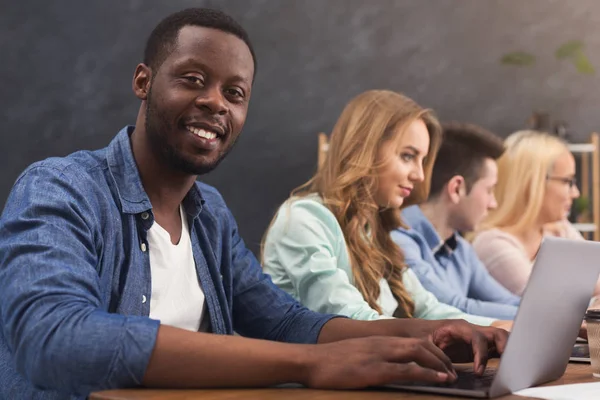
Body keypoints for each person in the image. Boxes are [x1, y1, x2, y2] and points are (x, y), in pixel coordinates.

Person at [0, 8, 508, 400]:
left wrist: (433, 333)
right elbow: (54, 337)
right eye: (193, 79)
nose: (217, 102)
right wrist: (305, 365)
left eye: (235, 93)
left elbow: (288, 323)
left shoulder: (210, 214)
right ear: (143, 81)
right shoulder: (60, 188)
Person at [262, 90, 511, 329]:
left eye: (422, 161)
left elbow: (427, 309)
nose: (420, 175)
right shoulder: (304, 218)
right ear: (365, 149)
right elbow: (349, 319)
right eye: (407, 156)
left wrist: (496, 327)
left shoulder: (374, 230)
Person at [391, 122, 520, 320]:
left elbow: (508, 302)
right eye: (489, 190)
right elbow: (452, 307)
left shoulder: (461, 249)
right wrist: (541, 317)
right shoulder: (399, 241)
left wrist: (563, 315)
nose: (493, 203)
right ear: (456, 188)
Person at [472, 130, 594, 296]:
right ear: (532, 183)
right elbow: (545, 300)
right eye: (568, 181)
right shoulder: (492, 244)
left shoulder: (560, 230)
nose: (575, 193)